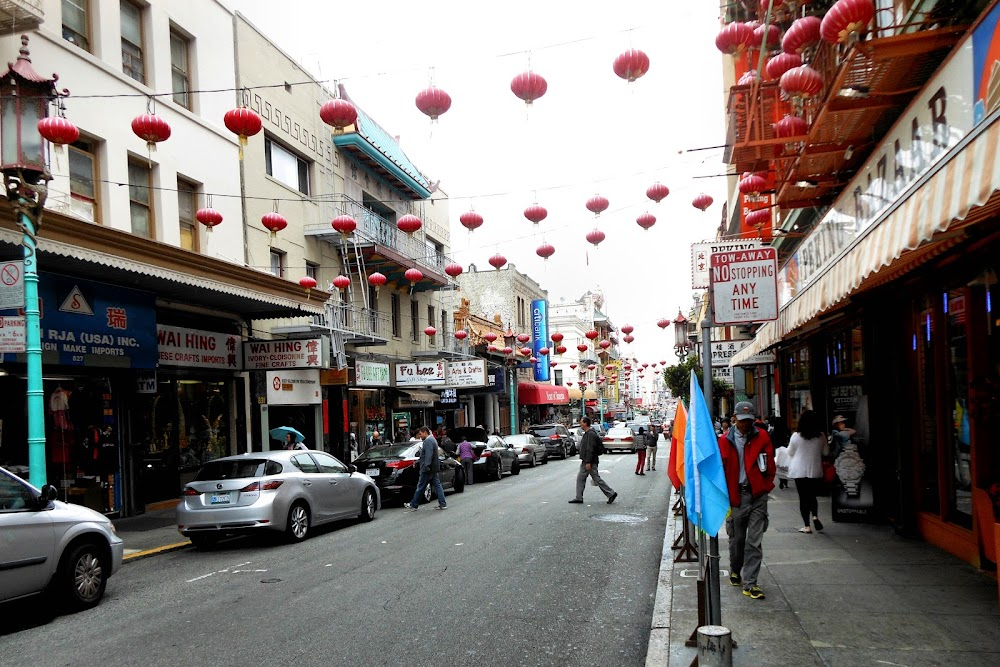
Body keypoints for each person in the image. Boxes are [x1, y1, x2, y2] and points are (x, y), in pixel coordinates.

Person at [720, 401, 776, 601]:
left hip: (758, 495)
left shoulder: (762, 437)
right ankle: (735, 569)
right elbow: (720, 471)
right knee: (737, 539)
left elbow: (770, 464)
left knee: (754, 541)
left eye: (749, 421)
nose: (745, 425)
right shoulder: (725, 441)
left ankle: (751, 583)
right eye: (742, 421)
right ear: (734, 418)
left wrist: (766, 485)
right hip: (737, 496)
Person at [786, 410, 829, 533]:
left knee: (803, 498)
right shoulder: (821, 436)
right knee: (812, 496)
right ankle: (815, 516)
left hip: (799, 470)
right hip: (815, 470)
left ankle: (807, 526)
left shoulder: (796, 436)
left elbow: (790, 452)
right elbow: (826, 452)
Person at [569, 416, 617, 504]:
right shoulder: (587, 433)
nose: (580, 424)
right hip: (587, 461)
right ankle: (579, 497)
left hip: (590, 461)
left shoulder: (590, 434)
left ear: (585, 423)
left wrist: (588, 462)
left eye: (581, 422)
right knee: (581, 478)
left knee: (596, 479)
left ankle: (611, 493)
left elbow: (590, 449)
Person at [404, 426, 447, 511]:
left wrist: (426, 465)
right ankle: (442, 503)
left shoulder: (428, 441)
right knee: (437, 485)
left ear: (425, 432)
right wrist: (417, 462)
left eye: (421, 434)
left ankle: (414, 504)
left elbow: (428, 454)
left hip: (427, 469)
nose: (420, 436)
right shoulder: (433, 440)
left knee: (420, 486)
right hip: (433, 468)